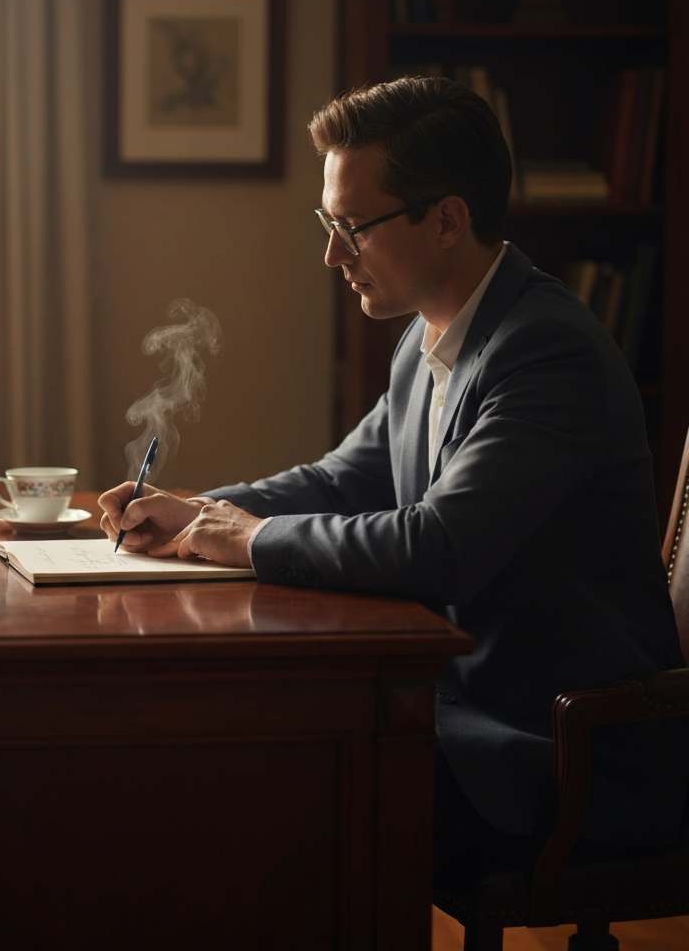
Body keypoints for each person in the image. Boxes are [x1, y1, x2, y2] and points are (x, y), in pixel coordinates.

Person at [99, 77, 689, 852]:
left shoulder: (550, 350)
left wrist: (242, 539)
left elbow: (441, 547)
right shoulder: (429, 333)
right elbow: (342, 479)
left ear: (447, 221)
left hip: (557, 752)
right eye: (327, 222)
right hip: (464, 709)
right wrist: (190, 509)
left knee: (261, 787)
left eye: (353, 226)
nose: (331, 253)